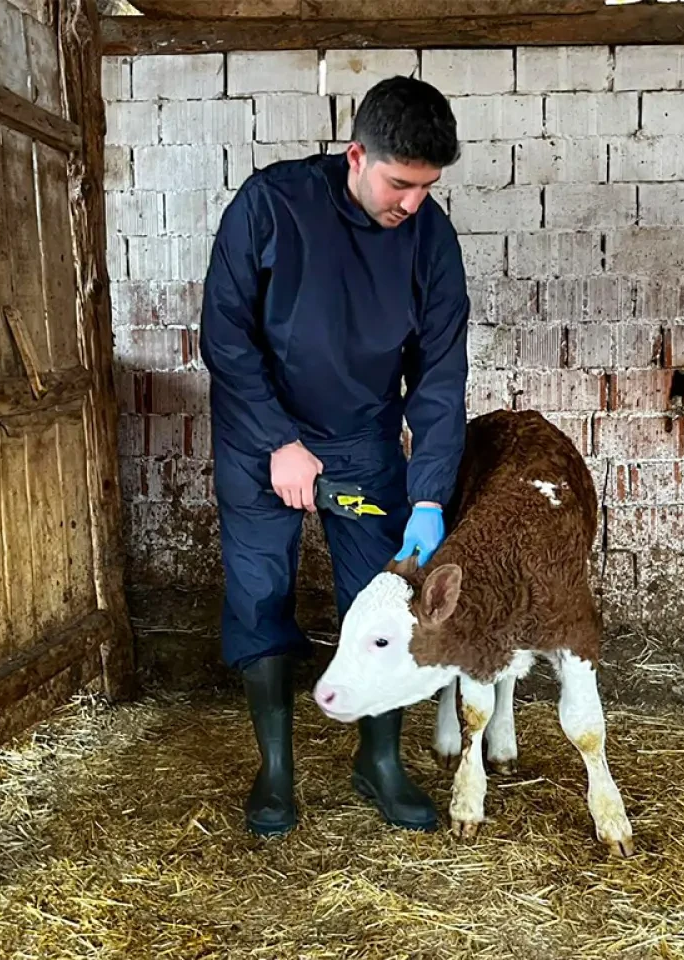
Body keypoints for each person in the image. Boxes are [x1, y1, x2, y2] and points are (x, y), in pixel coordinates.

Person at [198, 75, 470, 838]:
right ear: (356, 155)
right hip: (264, 436)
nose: (411, 202)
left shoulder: (430, 239)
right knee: (259, 591)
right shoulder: (271, 206)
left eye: (427, 187)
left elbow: (441, 374)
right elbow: (225, 334)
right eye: (399, 183)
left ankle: (378, 762)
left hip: (363, 441)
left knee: (379, 594)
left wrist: (428, 493)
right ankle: (276, 772)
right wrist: (277, 441)